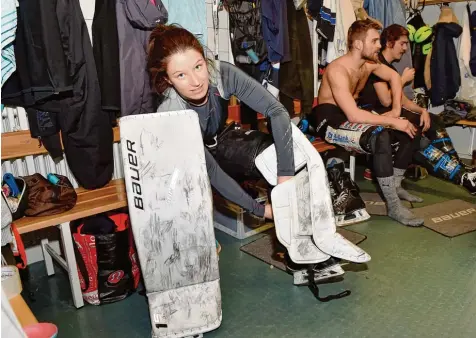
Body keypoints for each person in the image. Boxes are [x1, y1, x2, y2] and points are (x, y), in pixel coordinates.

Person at [147, 24, 295, 222]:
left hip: (218, 140)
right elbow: (211, 171)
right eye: (181, 75)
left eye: (198, 67)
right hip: (182, 166)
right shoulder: (171, 111)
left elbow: (277, 111)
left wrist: (285, 176)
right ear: (168, 79)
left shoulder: (221, 74)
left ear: (205, 61)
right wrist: (260, 210)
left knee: (274, 152)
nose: (196, 81)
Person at [308, 19, 424, 227]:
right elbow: (353, 115)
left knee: (406, 130)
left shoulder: (368, 65)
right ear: (359, 44)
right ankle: (394, 206)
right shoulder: (337, 70)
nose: (379, 45)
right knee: (381, 136)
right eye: (374, 41)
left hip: (349, 115)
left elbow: (395, 78)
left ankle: (395, 187)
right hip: (328, 119)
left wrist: (396, 111)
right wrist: (391, 121)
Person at [358, 24, 476, 195]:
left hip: (393, 112)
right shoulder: (377, 65)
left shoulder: (389, 68)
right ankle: (462, 176)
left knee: (434, 119)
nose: (406, 49)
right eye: (403, 44)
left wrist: (423, 111)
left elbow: (403, 100)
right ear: (390, 42)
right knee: (416, 133)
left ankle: (458, 167)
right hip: (378, 115)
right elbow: (385, 99)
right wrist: (402, 80)